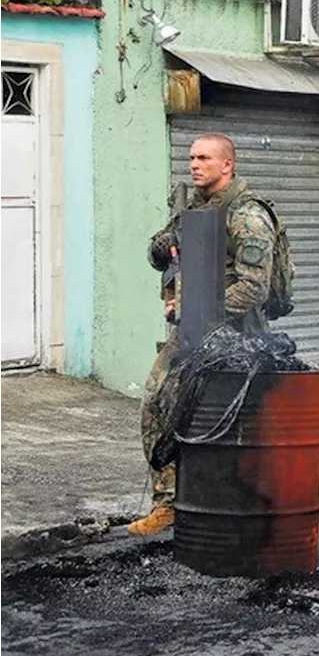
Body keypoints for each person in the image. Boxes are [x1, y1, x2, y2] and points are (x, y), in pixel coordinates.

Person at [127, 134, 279, 537]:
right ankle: (168, 503)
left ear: (227, 165)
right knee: (157, 405)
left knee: (230, 425)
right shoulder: (191, 207)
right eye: (191, 157)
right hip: (191, 332)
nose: (194, 164)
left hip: (237, 336)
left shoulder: (247, 215)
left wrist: (201, 311)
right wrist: (165, 246)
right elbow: (157, 253)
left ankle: (232, 511)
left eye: (204, 158)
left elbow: (253, 288)